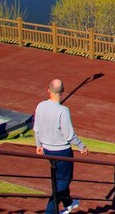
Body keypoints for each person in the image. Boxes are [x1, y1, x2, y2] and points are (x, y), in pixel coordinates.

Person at [34, 78, 89, 214]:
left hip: (47, 149)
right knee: (64, 179)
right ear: (63, 91)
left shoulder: (40, 105)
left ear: (48, 90)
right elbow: (69, 135)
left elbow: (36, 128)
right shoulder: (63, 110)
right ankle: (50, 210)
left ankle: (68, 202)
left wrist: (38, 144)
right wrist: (82, 146)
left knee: (59, 177)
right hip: (62, 151)